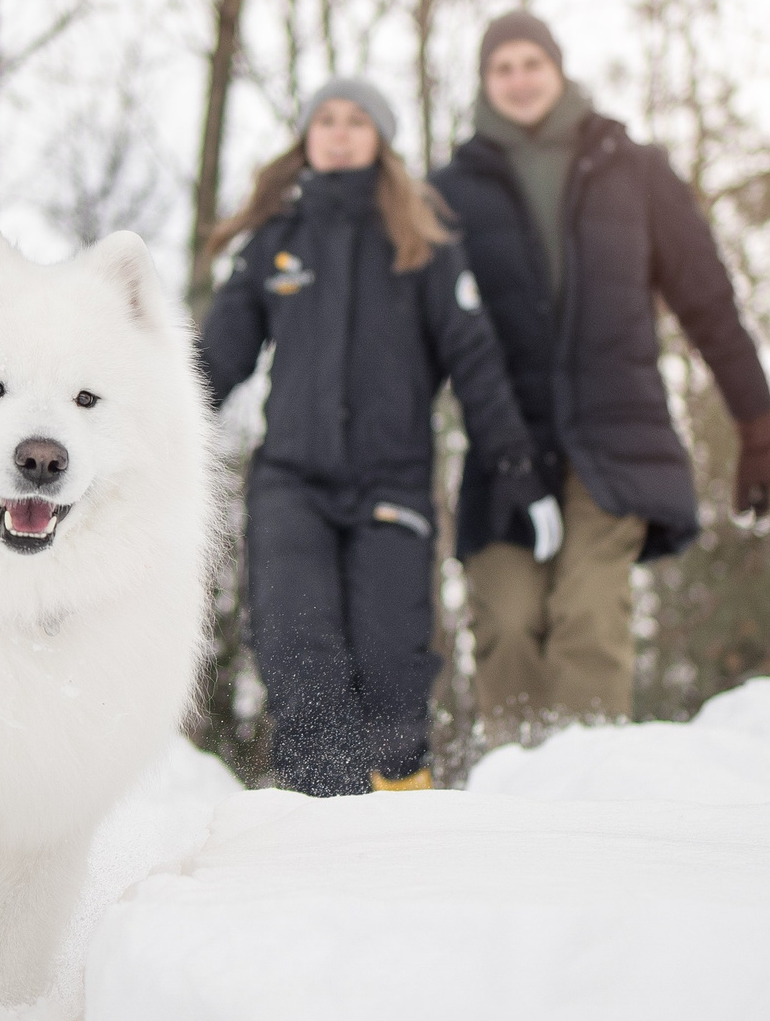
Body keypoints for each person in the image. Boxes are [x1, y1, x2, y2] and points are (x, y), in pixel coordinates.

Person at [431, 11, 770, 742]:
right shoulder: (449, 191)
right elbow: (417, 333)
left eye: (532, 62)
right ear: (484, 82)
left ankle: (587, 802)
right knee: (506, 617)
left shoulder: (634, 168)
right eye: (503, 67)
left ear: (559, 70)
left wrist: (758, 430)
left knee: (588, 613)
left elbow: (709, 302)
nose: (519, 79)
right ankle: (518, 797)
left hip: (616, 436)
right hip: (507, 446)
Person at [198, 78, 556, 795]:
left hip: (392, 484)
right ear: (306, 137)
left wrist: (520, 472)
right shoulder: (277, 241)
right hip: (291, 483)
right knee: (299, 650)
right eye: (324, 120)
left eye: (355, 121)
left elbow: (476, 362)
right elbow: (214, 364)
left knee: (391, 663)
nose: (337, 132)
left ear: (379, 140)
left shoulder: (420, 242)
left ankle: (398, 812)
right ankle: (319, 814)